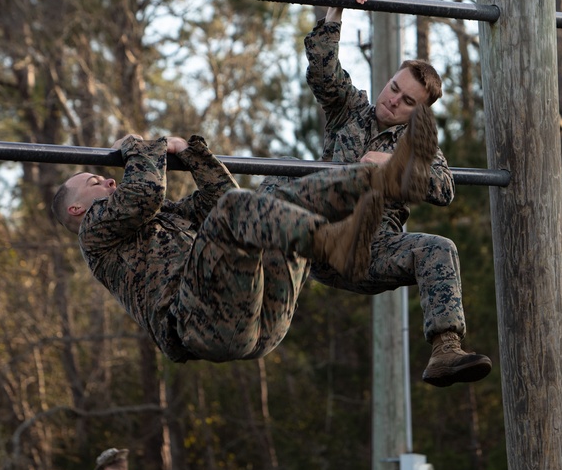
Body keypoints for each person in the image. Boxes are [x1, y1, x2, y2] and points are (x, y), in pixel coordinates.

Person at [51, 123, 434, 364]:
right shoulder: (94, 235)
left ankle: (385, 179)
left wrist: (189, 153)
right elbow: (145, 191)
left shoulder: (169, 217)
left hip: (262, 322)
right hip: (200, 324)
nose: (108, 181)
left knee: (274, 199)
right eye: (94, 182)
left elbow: (223, 200)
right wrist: (139, 147)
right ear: (76, 208)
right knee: (241, 209)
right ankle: (332, 241)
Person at [301, 0, 492, 387]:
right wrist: (336, 13)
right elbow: (323, 73)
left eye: (407, 102)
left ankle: (445, 351)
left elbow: (444, 188)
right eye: (394, 89)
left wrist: (394, 163)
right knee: (263, 203)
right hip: (324, 237)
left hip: (374, 250)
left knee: (439, 248)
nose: (393, 101)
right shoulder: (348, 112)